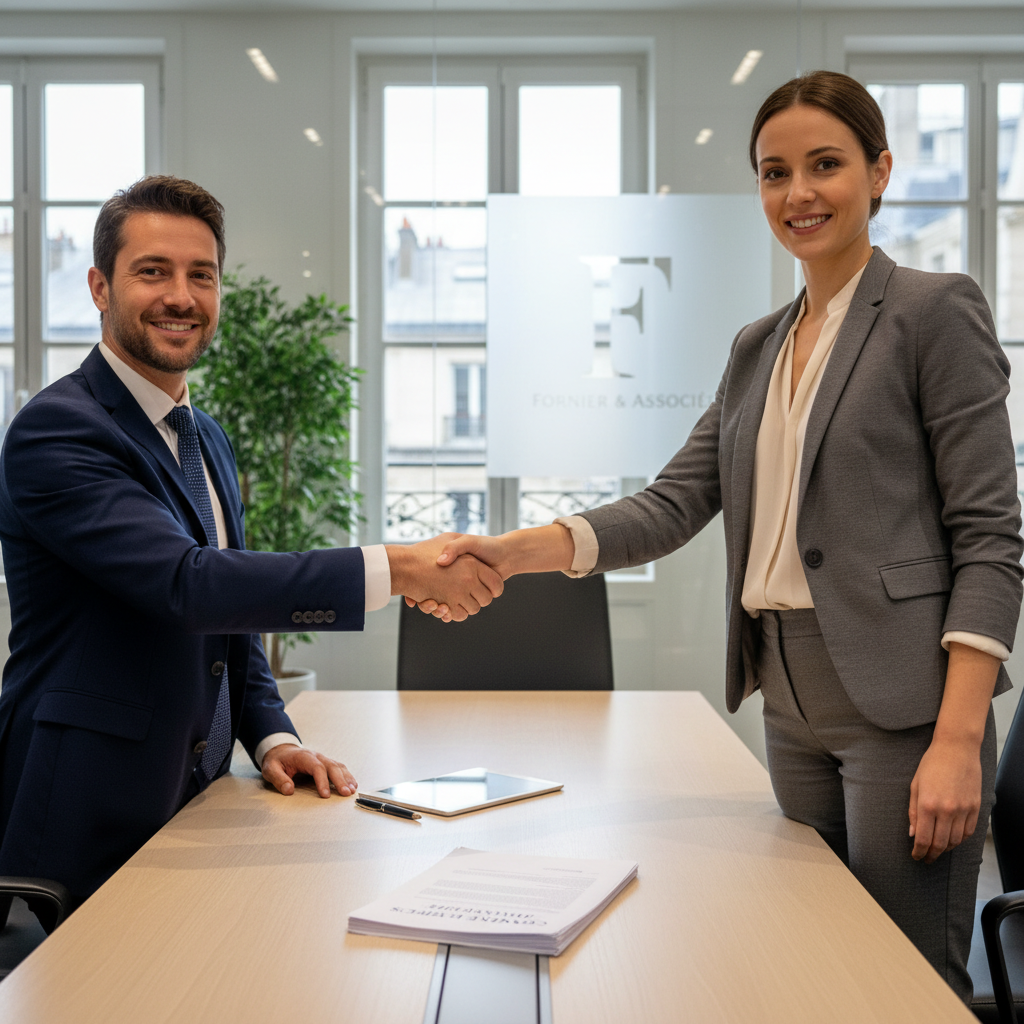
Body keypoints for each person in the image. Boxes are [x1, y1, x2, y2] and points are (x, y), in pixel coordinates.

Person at [422, 72, 1023, 1002]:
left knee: (905, 979)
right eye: (774, 172)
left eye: (826, 165)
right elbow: (670, 503)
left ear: (880, 172)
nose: (799, 193)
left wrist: (957, 736)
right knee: (817, 955)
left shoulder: (932, 311)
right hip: (786, 696)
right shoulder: (759, 345)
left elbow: (990, 537)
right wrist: (513, 552)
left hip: (905, 703)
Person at [0, 175, 502, 906]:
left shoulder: (206, 439)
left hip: (192, 806)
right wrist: (397, 567)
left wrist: (271, 736)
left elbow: (230, 619)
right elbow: (189, 585)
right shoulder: (59, 430)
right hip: (85, 822)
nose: (181, 296)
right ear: (100, 288)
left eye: (201, 275)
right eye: (153, 272)